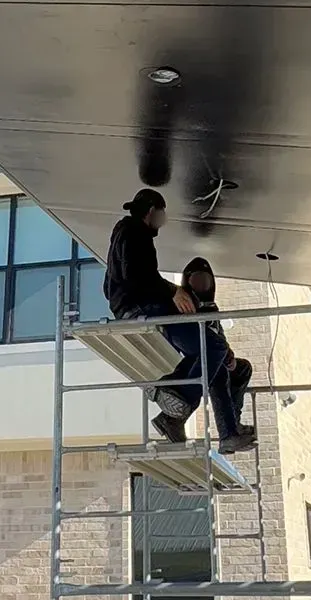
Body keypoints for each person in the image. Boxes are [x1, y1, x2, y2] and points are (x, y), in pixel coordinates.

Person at [102, 193, 253, 452]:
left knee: (216, 358)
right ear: (152, 211)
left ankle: (188, 421)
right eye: (162, 215)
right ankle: (172, 392)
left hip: (139, 305)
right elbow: (135, 276)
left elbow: (117, 283)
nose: (163, 222)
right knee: (214, 349)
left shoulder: (130, 234)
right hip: (142, 307)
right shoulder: (133, 231)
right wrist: (173, 292)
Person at [161, 258, 255, 453]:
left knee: (242, 368)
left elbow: (218, 336)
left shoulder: (212, 309)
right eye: (196, 280)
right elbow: (189, 338)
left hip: (212, 354)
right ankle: (227, 433)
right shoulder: (183, 302)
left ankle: (233, 424)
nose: (202, 285)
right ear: (187, 282)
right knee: (217, 369)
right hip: (193, 360)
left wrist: (228, 354)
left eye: (205, 281)